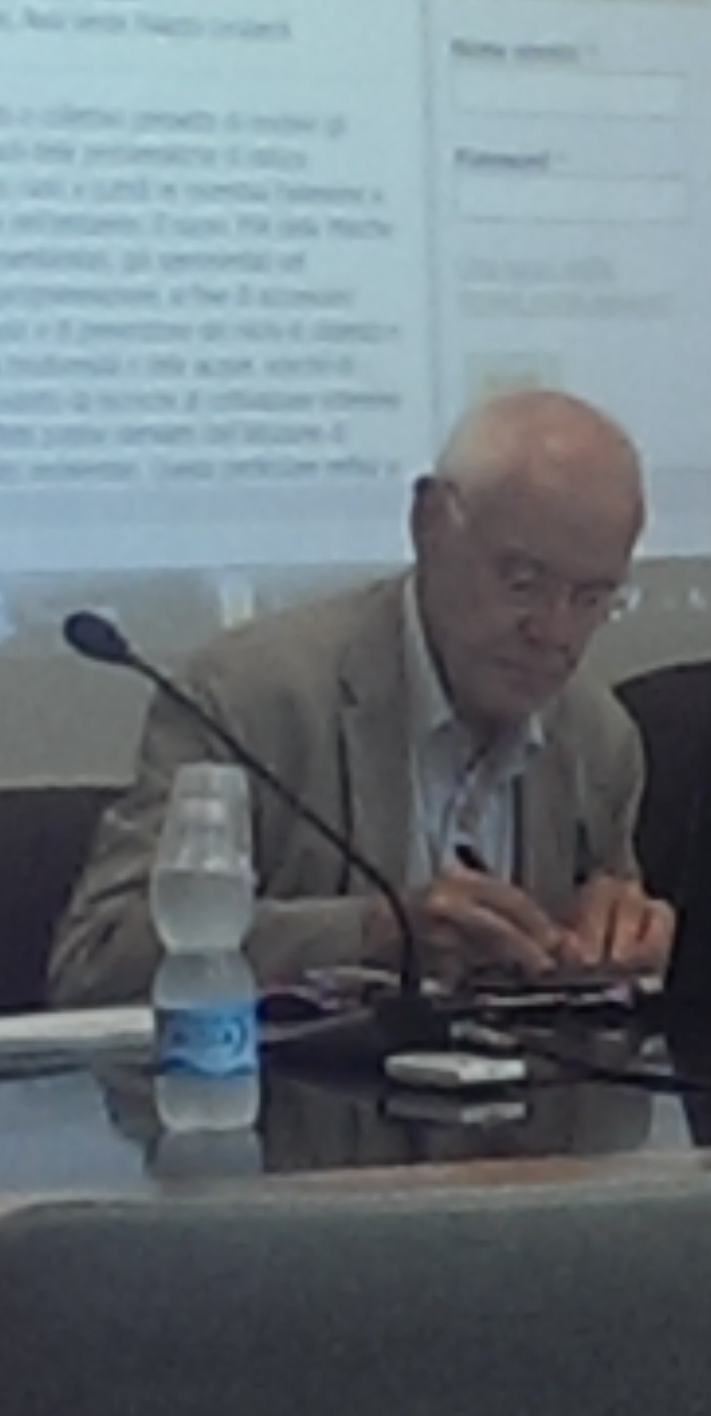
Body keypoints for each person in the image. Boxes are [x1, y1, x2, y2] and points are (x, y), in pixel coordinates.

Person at [50, 388, 673, 1005]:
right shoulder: (249, 699)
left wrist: (620, 941)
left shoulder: (599, 739)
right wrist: (372, 934)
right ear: (429, 523)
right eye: (522, 582)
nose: (555, 632)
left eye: (592, 599)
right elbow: (97, 961)